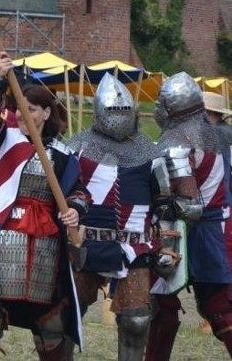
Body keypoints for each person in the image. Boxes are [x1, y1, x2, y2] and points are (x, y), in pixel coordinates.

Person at [0, 51, 89, 360]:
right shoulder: (1, 138)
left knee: (54, 325)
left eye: (32, 109)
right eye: (20, 109)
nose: (24, 114)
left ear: (47, 113)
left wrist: (76, 208)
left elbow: (78, 192)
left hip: (45, 246)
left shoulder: (63, 154)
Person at [65, 73, 160, 360]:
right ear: (98, 112)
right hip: (86, 243)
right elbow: (65, 192)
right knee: (67, 315)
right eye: (112, 110)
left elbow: (163, 202)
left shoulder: (149, 151)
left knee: (136, 320)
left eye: (123, 110)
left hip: (134, 246)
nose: (118, 116)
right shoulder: (77, 147)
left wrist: (166, 243)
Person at [145, 73, 232, 359]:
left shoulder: (178, 140)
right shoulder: (211, 132)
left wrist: (158, 207)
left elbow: (188, 205)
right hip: (216, 226)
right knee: (217, 305)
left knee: (168, 306)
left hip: (191, 231)